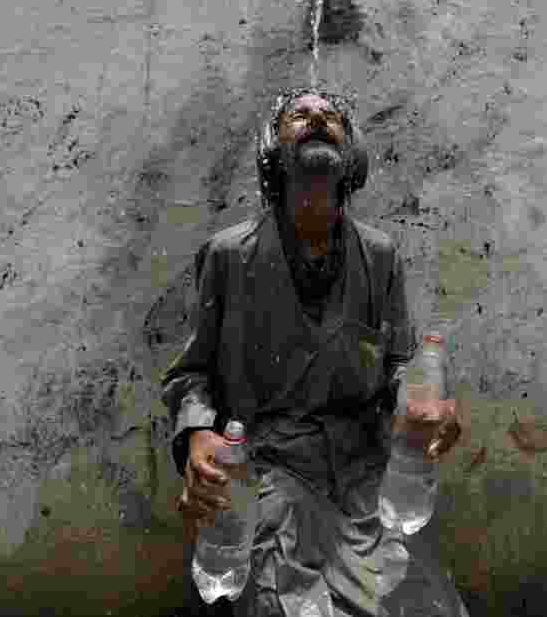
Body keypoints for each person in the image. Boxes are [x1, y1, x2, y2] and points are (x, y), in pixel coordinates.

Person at [161, 87, 468, 617]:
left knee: (419, 603)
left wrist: (423, 406)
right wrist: (197, 437)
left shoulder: (379, 256)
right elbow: (191, 376)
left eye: (332, 117)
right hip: (267, 468)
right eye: (298, 114)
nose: (317, 118)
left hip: (363, 474)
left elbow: (398, 364)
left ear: (352, 154)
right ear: (271, 151)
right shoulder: (229, 255)